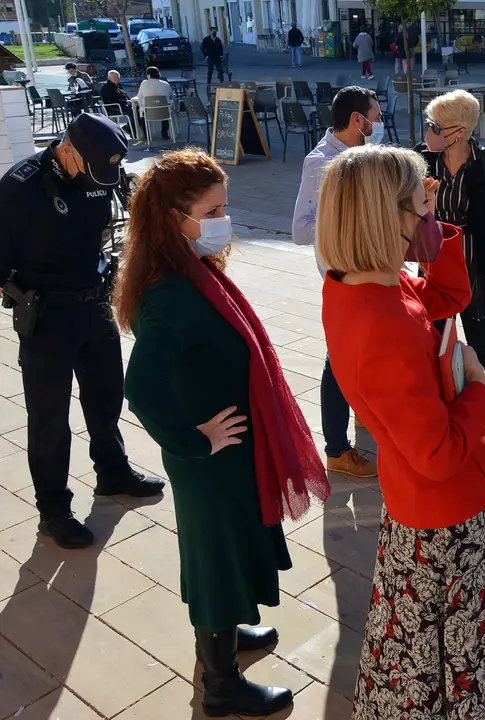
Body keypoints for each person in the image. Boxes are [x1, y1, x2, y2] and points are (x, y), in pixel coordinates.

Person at [317, 145, 485, 718]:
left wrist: (431, 222)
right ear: (386, 218)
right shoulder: (381, 317)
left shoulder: (363, 284)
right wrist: (477, 390)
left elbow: (447, 295)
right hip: (444, 511)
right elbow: (438, 454)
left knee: (423, 647)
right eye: (419, 208)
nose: (426, 218)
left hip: (422, 505)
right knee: (458, 655)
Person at [116, 149, 330, 716]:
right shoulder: (170, 295)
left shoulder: (187, 271)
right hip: (212, 458)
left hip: (229, 450)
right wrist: (193, 439)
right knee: (215, 560)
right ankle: (220, 685)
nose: (223, 220)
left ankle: (226, 638)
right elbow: (140, 388)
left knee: (229, 550)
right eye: (213, 210)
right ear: (174, 218)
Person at [0, 113, 165, 549]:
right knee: (50, 419)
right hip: (47, 317)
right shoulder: (21, 186)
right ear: (67, 147)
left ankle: (112, 473)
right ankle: (53, 509)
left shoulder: (99, 171)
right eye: (93, 168)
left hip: (94, 306)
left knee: (106, 397)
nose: (102, 178)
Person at [291, 87, 382, 479]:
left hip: (368, 269)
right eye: (375, 118)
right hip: (342, 276)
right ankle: (336, 448)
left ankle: (362, 414)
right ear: (357, 121)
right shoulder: (321, 164)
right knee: (339, 359)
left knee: (364, 351)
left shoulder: (362, 156)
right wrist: (347, 227)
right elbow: (300, 229)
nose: (379, 125)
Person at [416, 89, 485, 399]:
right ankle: (439, 397)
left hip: (473, 259)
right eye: (430, 123)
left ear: (460, 132)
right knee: (433, 332)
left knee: (479, 333)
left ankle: (483, 399)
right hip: (433, 257)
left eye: (437, 126)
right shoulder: (421, 158)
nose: (429, 131)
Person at [137, 66, 172, 141]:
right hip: (164, 112)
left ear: (148, 75)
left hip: (149, 112)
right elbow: (170, 96)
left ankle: (146, 135)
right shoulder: (165, 84)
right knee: (164, 107)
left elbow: (139, 96)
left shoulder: (144, 83)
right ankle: (164, 133)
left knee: (141, 112)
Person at [101, 69, 137, 138]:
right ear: (109, 78)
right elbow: (112, 100)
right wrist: (126, 101)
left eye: (118, 77)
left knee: (137, 109)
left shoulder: (118, 85)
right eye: (115, 77)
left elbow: (124, 95)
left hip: (121, 105)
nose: (117, 79)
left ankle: (130, 127)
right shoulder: (106, 87)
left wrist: (129, 101)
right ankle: (132, 131)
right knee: (132, 111)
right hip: (113, 107)